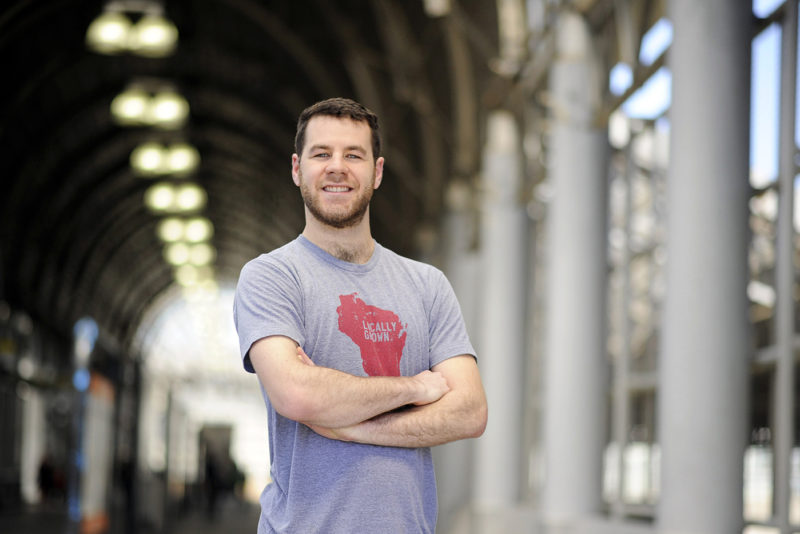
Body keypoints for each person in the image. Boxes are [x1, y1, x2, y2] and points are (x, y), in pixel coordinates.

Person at [233, 97, 487, 533]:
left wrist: (352, 427)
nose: (337, 167)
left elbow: (469, 411)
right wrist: (416, 388)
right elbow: (296, 395)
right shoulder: (271, 277)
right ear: (297, 169)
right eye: (321, 154)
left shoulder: (427, 284)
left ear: (378, 172)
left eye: (353, 155)